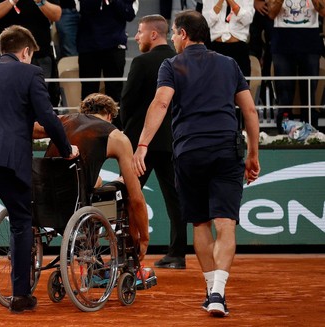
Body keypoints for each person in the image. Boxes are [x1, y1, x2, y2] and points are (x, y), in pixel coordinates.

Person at [133, 10, 260, 317]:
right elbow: (251, 112)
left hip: (190, 152)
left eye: (175, 34)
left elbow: (161, 102)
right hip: (226, 150)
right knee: (225, 224)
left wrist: (142, 144)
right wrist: (254, 153)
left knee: (201, 224)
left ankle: (210, 291)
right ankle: (218, 292)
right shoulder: (229, 64)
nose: (174, 39)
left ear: (184, 35)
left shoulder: (171, 64)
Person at [0, 25, 79, 320]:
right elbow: (46, 116)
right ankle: (20, 296)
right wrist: (66, 146)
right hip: (7, 160)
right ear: (26, 52)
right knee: (22, 221)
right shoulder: (29, 73)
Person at [38, 93, 150, 265]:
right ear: (109, 115)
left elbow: (26, 128)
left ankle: (92, 245)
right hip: (76, 202)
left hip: (44, 200)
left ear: (84, 111)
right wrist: (144, 238)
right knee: (126, 184)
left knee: (96, 180)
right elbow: (136, 198)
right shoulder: (115, 136)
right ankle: (131, 258)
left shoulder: (63, 120)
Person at [120, 14, 186, 269]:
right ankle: (177, 254)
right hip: (173, 141)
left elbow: (127, 101)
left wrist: (127, 134)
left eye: (139, 32)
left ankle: (127, 254)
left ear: (153, 34)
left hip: (142, 145)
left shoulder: (142, 62)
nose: (136, 37)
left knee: (126, 198)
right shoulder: (181, 62)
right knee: (176, 199)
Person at [0, 0, 62, 105]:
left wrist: (40, 2)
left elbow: (57, 15)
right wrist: (11, 1)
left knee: (40, 100)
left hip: (39, 55)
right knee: (6, 99)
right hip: (6, 56)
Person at [77, 0, 138, 129]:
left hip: (115, 45)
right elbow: (81, 9)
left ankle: (116, 128)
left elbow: (129, 14)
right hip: (88, 46)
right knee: (89, 89)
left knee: (115, 89)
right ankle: (87, 127)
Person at [267, 0, 324, 132]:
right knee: (284, 92)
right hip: (282, 42)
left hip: (309, 42)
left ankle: (310, 132)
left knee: (309, 92)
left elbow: (323, 11)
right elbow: (271, 14)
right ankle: (284, 131)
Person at [202, 0, 254, 77]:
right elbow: (207, 22)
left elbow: (247, 19)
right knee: (216, 84)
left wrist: (231, 2)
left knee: (241, 86)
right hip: (217, 48)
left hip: (239, 48)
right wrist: (220, 2)